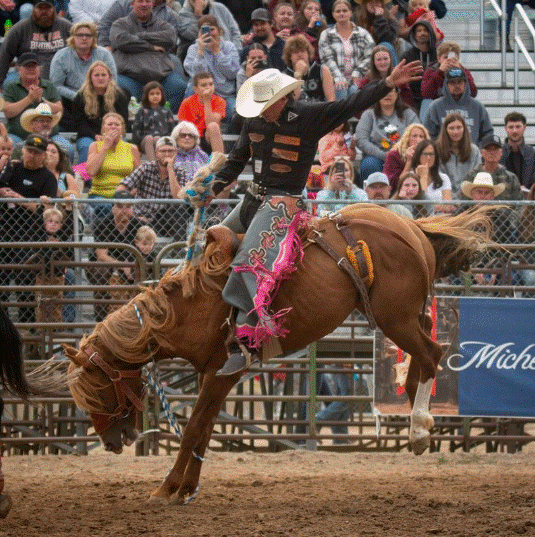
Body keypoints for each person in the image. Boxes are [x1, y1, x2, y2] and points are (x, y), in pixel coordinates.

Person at [210, 59, 423, 375]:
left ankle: (249, 341)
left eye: (265, 104)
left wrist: (387, 84)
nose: (261, 110)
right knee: (213, 238)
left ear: (282, 100)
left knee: (251, 258)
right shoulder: (253, 121)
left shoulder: (308, 117)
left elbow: (350, 103)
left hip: (282, 204)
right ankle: (209, 314)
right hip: (251, 201)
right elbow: (237, 159)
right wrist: (213, 184)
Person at [0, 134, 57, 323]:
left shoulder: (47, 177)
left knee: (25, 282)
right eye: (29, 151)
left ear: (43, 156)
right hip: (5, 230)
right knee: (2, 282)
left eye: (37, 153)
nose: (32, 155)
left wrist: (19, 199)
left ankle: (27, 327)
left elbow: (46, 210)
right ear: (23, 150)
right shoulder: (13, 167)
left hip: (30, 234)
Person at [110, 0, 187, 114]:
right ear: (132, 3)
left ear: (152, 3)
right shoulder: (120, 24)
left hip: (161, 77)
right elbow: (121, 40)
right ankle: (131, 126)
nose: (144, 4)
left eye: (148, 1)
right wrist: (151, 46)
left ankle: (165, 121)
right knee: (120, 88)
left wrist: (138, 36)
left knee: (179, 86)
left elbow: (170, 38)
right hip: (129, 76)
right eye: (140, 1)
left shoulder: (163, 25)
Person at [85, 190, 145, 322]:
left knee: (144, 269)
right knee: (101, 270)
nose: (123, 210)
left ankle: (136, 319)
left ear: (132, 209)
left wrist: (132, 265)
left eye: (128, 207)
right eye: (119, 206)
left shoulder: (139, 225)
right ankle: (101, 321)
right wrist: (123, 266)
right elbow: (101, 255)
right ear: (112, 208)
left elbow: (144, 251)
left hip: (130, 263)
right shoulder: (103, 224)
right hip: (108, 265)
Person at [117, 136, 191, 239]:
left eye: (170, 151)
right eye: (163, 151)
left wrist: (170, 170)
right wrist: (131, 212)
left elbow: (179, 198)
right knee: (132, 223)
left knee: (179, 207)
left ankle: (178, 247)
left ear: (176, 153)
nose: (166, 154)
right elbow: (122, 188)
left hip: (165, 220)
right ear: (156, 153)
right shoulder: (146, 167)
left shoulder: (180, 172)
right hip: (141, 219)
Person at [49, 21, 117, 131]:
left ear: (94, 38)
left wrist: (94, 96)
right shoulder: (61, 56)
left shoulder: (104, 54)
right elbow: (56, 86)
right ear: (73, 37)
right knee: (58, 100)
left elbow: (113, 81)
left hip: (100, 97)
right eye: (80, 35)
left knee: (122, 94)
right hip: (72, 100)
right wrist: (80, 97)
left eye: (88, 35)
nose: (84, 38)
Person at [354, 87, 418, 184]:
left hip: (403, 156)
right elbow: (362, 140)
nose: (387, 94)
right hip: (375, 156)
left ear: (397, 94)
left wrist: (402, 155)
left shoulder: (408, 114)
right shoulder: (369, 115)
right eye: (384, 91)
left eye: (391, 91)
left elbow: (418, 135)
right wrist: (384, 155)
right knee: (369, 165)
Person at [0, 0, 71, 86]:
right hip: (27, 78)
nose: (44, 11)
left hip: (60, 79)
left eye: (47, 8)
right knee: (8, 84)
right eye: (40, 8)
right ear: (34, 9)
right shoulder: (20, 28)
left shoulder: (66, 26)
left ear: (54, 9)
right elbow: (4, 55)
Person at [183, 15, 240, 120]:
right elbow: (195, 77)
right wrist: (200, 53)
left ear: (219, 30)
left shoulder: (229, 47)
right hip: (201, 93)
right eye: (204, 30)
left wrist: (217, 52)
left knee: (234, 112)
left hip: (225, 95)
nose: (209, 33)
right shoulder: (193, 49)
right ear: (199, 33)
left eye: (212, 29)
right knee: (190, 93)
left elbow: (232, 73)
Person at [72, 60, 129, 164]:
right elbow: (79, 124)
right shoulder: (80, 97)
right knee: (86, 147)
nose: (100, 78)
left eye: (103, 75)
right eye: (96, 75)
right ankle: (81, 178)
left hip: (114, 135)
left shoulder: (119, 96)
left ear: (109, 77)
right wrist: (94, 136)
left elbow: (123, 121)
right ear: (90, 78)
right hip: (88, 136)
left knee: (124, 147)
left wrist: (110, 135)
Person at [85, 112, 141, 218]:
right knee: (106, 207)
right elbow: (90, 172)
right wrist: (105, 146)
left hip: (124, 196)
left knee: (127, 207)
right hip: (100, 195)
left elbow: (139, 176)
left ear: (122, 129)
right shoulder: (95, 146)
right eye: (110, 124)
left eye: (117, 124)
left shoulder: (132, 148)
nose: (113, 127)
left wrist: (132, 192)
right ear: (103, 128)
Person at [318, 0, 375, 100]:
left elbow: (370, 56)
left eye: (345, 10)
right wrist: (338, 78)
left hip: (359, 77)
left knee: (354, 89)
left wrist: (357, 73)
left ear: (351, 12)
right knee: (340, 88)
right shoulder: (326, 34)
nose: (341, 13)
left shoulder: (363, 33)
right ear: (333, 14)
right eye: (338, 11)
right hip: (335, 80)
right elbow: (327, 59)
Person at [2, 53, 63, 145]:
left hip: (50, 135)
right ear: (18, 69)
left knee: (67, 148)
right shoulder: (12, 87)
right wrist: (29, 99)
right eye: (27, 66)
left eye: (34, 66)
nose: (31, 69)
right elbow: (8, 112)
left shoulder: (49, 86)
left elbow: (59, 109)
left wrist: (41, 100)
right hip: (18, 136)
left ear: (40, 69)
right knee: (11, 145)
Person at [424, 68, 494, 145]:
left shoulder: (478, 107)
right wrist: (440, 150)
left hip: (472, 154)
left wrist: (477, 150)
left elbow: (488, 133)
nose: (456, 85)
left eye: (460, 82)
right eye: (452, 83)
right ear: (446, 85)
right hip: (444, 155)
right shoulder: (435, 107)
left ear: (465, 83)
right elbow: (428, 135)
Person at [463, 134, 523, 202]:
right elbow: (464, 204)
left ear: (501, 153)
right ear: (482, 153)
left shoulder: (511, 178)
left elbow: (520, 204)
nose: (492, 153)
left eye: (496, 149)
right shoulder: (470, 176)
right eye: (488, 149)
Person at [177, 71, 225, 154]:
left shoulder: (219, 101)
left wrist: (207, 101)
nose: (208, 88)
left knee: (213, 126)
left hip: (209, 138)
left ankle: (219, 161)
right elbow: (181, 126)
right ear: (195, 89)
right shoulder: (187, 102)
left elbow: (211, 123)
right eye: (204, 85)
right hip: (192, 137)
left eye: (211, 84)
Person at [435, 112, 481, 197]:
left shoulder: (474, 151)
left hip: (469, 199)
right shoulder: (437, 150)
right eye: (451, 128)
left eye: (459, 127)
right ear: (445, 130)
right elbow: (438, 178)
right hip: (445, 199)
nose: (455, 132)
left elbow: (476, 176)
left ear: (464, 129)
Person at [177, 0, 243, 57]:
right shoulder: (183, 14)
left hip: (227, 54)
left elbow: (235, 32)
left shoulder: (220, 8)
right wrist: (198, 15)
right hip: (201, 56)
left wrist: (234, 52)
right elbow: (192, 34)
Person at [282, 33, 335, 103]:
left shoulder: (322, 70)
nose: (299, 55)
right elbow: (292, 100)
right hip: (297, 112)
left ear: (308, 53)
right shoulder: (284, 75)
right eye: (295, 52)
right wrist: (298, 75)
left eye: (302, 51)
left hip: (318, 109)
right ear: (289, 56)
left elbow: (331, 99)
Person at [358, 44, 414, 109]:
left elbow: (407, 99)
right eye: (379, 59)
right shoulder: (367, 79)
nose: (383, 62)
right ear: (373, 62)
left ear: (390, 60)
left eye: (385, 59)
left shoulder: (398, 75)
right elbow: (359, 102)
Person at [132, 81, 177, 161]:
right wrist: (136, 146)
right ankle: (152, 165)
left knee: (157, 138)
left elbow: (172, 129)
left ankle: (160, 163)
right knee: (149, 138)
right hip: (144, 142)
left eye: (157, 93)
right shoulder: (142, 111)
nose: (155, 96)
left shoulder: (166, 111)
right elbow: (136, 130)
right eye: (152, 94)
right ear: (146, 96)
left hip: (162, 141)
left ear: (162, 95)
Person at [399, 19, 437, 112]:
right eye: (419, 31)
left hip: (433, 97)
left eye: (425, 30)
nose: (422, 33)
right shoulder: (406, 56)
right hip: (412, 98)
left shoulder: (438, 54)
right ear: (414, 35)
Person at [409, 139, 453, 213]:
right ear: (418, 156)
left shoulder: (444, 178)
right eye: (425, 154)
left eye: (432, 154)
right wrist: (423, 177)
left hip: (439, 220)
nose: (429, 157)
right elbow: (419, 207)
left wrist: (429, 206)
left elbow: (448, 206)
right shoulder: (410, 176)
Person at [383, 122, 429, 190]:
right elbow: (395, 185)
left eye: (421, 137)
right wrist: (409, 161)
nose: (418, 140)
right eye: (414, 136)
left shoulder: (428, 155)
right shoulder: (394, 155)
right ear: (407, 138)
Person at [500, 112, 535, 192]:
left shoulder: (532, 153)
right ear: (505, 128)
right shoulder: (498, 153)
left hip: (528, 199)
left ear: (524, 127)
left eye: (518, 127)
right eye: (511, 127)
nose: (514, 131)